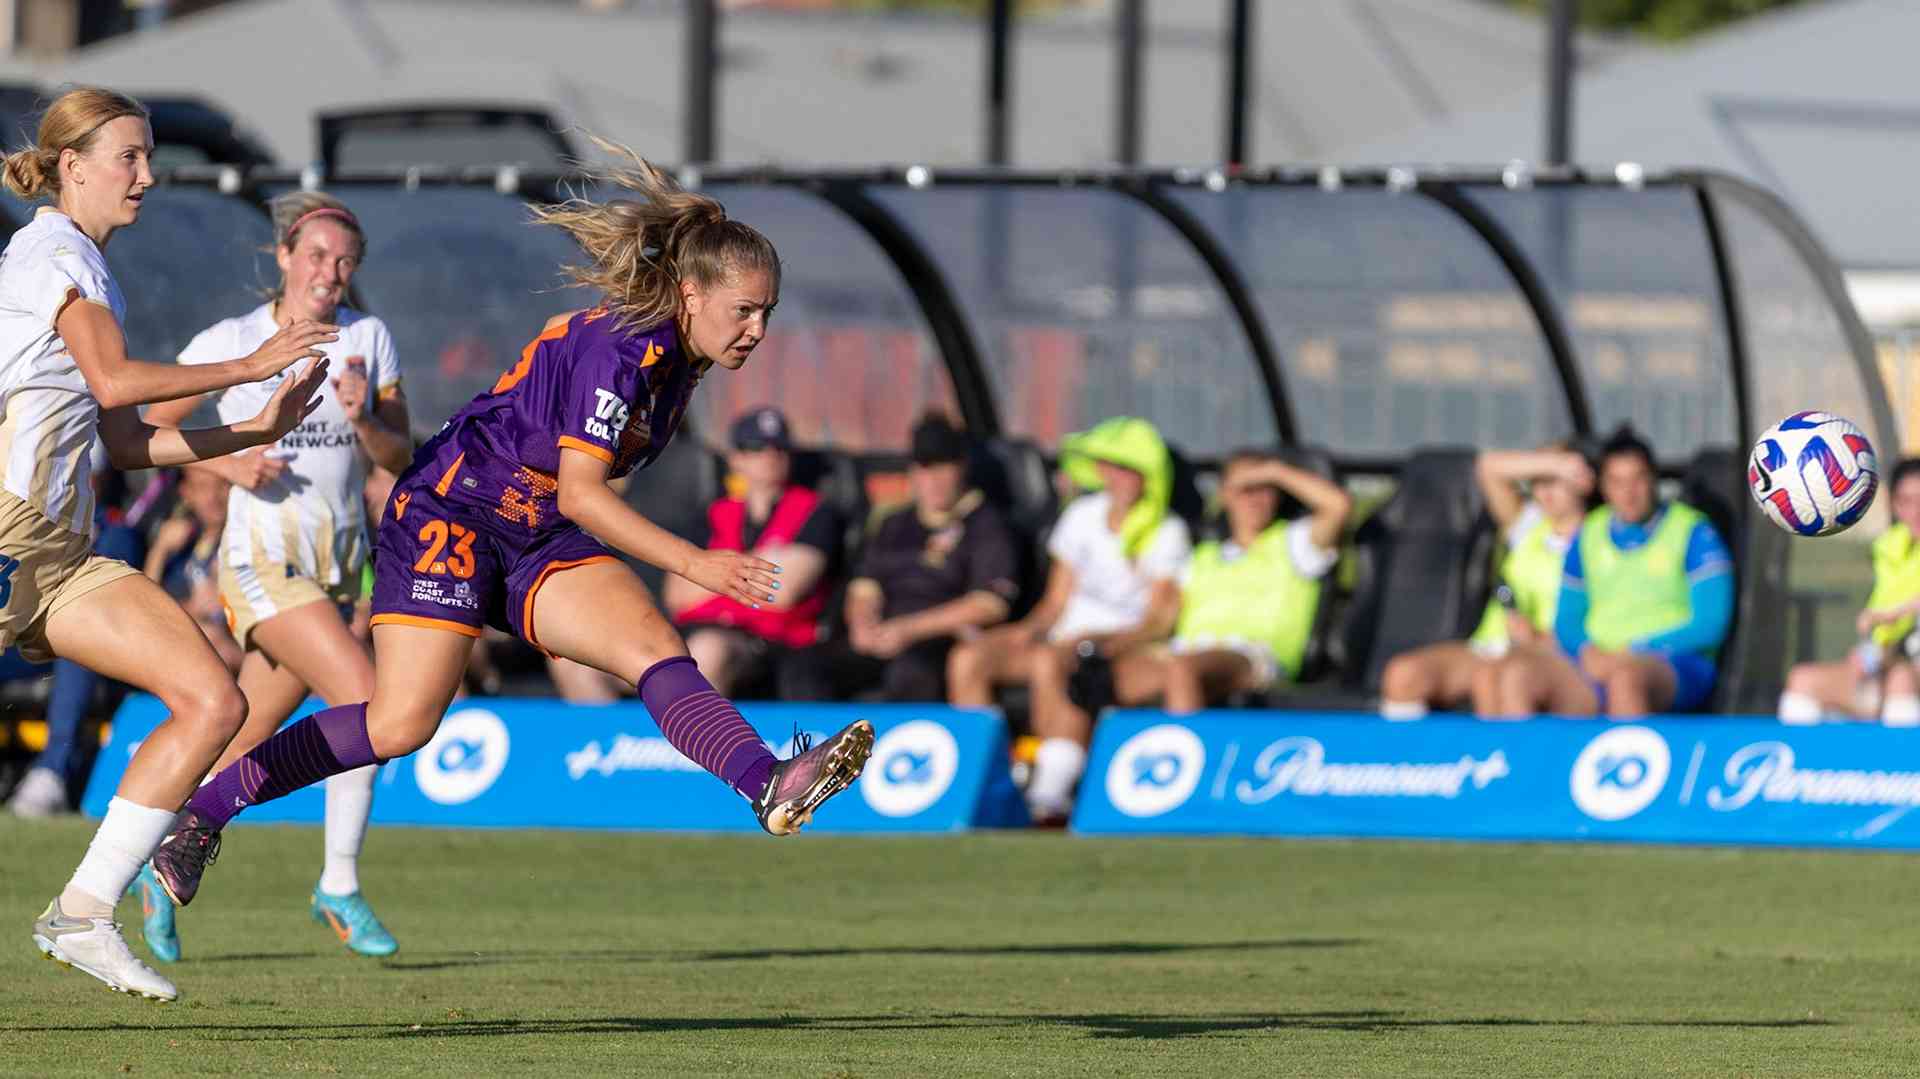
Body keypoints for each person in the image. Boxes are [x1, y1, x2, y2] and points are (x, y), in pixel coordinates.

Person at [143, 144, 876, 970]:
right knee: (400, 721)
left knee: (654, 651)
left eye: (768, 312)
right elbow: (584, 496)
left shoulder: (681, 361)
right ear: (692, 291)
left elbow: (573, 494)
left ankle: (766, 781)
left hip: (532, 530)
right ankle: (204, 813)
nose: (759, 329)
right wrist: (700, 563)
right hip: (450, 509)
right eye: (745, 309)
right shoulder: (625, 348)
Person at [13, 86, 333, 1002]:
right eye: (130, 157)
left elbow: (120, 440)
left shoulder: (87, 264)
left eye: (149, 158)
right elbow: (115, 380)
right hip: (6, 529)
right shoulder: (53, 251)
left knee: (210, 698)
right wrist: (248, 362)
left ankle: (82, 910)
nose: (148, 176)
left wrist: (253, 423)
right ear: (71, 166)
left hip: (62, 554)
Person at [133, 191, 415, 963]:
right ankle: (339, 883)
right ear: (285, 256)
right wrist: (228, 460)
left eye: (346, 260)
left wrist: (365, 421)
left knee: (236, 738)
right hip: (261, 562)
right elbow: (147, 424)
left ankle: (154, 859)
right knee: (369, 701)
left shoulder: (369, 337)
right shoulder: (235, 340)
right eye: (318, 254)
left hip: (332, 568)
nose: (332, 271)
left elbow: (400, 455)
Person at [947, 416, 1192, 821]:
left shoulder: (1167, 531)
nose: (1121, 477)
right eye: (1113, 466)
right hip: (1062, 639)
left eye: (1132, 469)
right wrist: (1021, 633)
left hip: (1118, 648)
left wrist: (1102, 642)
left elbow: (1159, 619)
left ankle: (1050, 791)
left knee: (1053, 661)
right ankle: (989, 777)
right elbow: (1054, 603)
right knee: (969, 657)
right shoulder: (1081, 515)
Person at [1485, 427, 1734, 719]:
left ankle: (1631, 762)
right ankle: (1527, 763)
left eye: (1637, 480)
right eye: (1617, 482)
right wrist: (1587, 653)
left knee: (1625, 680)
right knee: (1517, 678)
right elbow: (1567, 619)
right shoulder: (1589, 533)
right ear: (1604, 486)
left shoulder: (1693, 531)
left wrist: (1638, 649)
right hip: (1599, 662)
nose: (1628, 493)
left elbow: (1711, 623)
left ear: (1653, 480)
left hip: (1671, 662)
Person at [779, 413, 1019, 702]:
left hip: (939, 640)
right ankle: (815, 747)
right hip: (883, 636)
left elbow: (989, 605)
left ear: (962, 467)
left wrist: (909, 630)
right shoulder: (894, 523)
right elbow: (865, 587)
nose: (933, 480)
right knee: (804, 669)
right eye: (924, 469)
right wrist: (862, 624)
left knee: (912, 673)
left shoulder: (987, 524)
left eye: (943, 468)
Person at [1094, 449, 1350, 715]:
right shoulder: (1201, 557)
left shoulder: (1295, 542)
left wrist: (1273, 470)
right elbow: (1161, 618)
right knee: (1104, 677)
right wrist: (1112, 647)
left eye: (1265, 489)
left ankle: (1188, 750)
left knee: (1181, 670)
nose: (1255, 499)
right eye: (1245, 489)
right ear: (1225, 494)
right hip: (1187, 652)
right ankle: (1066, 754)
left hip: (1254, 655)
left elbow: (1338, 506)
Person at [1377, 445, 1594, 719]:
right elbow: (1487, 468)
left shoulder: (1600, 537)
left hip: (1555, 653)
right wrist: (1554, 464)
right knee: (1403, 675)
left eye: (1554, 481)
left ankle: (1510, 759)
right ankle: (1412, 760)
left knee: (1498, 679)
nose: (1544, 492)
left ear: (1582, 481)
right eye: (1538, 482)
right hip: (1495, 646)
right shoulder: (1528, 527)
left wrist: (1540, 638)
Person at [5, 463, 148, 817]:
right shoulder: (17, 513)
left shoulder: (109, 528)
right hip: (13, 640)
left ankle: (51, 773)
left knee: (80, 639)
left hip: (62, 649)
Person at [666, 406, 841, 696]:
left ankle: (704, 742)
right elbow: (676, 596)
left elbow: (784, 591)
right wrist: (766, 561)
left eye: (779, 448)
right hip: (697, 629)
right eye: (756, 448)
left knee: (706, 652)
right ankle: (608, 739)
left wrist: (711, 573)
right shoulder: (712, 514)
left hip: (768, 641)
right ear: (736, 458)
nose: (770, 457)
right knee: (582, 664)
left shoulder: (815, 511)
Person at [1778, 458, 1920, 725]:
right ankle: (1812, 765)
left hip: (1905, 670)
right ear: (1894, 504)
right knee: (1803, 681)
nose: (1916, 511)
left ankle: (1902, 764)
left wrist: (1892, 617)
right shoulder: (1889, 549)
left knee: (1901, 681)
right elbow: (1878, 628)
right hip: (1885, 666)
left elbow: (1893, 615)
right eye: (1906, 501)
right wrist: (1871, 653)